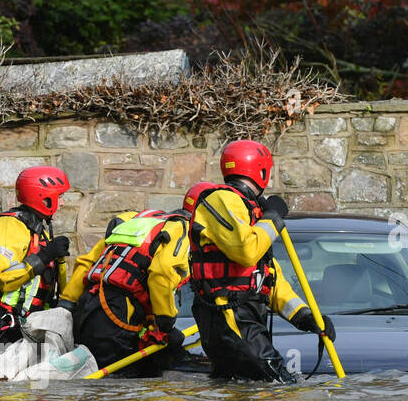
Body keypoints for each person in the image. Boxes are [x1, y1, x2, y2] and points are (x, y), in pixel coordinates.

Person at [186, 140, 336, 382]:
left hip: (244, 315)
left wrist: (304, 316)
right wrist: (273, 219)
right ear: (262, 171)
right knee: (280, 384)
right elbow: (246, 250)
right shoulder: (220, 199)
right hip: (229, 315)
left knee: (247, 394)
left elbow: (269, 278)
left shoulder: (249, 212)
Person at [57, 208, 190, 378]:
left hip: (86, 306)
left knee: (93, 382)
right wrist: (166, 323)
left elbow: (86, 262)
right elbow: (161, 274)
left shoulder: (137, 222)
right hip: (116, 314)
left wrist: (67, 303)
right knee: (116, 388)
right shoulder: (182, 229)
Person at [0, 165, 72, 352]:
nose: (62, 203)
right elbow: (6, 278)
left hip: (19, 329)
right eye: (59, 197)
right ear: (43, 197)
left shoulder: (35, 231)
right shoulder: (8, 226)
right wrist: (46, 255)